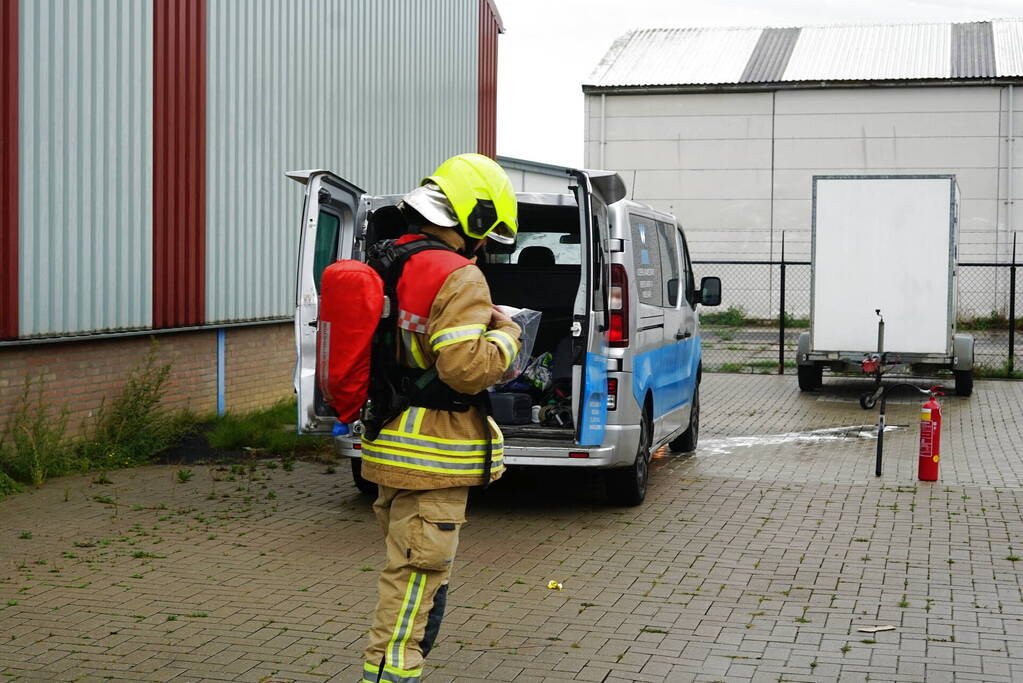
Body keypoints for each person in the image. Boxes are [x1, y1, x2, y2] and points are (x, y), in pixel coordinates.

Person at [360, 153, 521, 683]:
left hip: (389, 443)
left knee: (405, 572)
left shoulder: (389, 257)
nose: (484, 248)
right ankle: (389, 675)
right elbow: (465, 369)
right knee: (415, 581)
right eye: (487, 235)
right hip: (433, 455)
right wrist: (507, 335)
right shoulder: (460, 275)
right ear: (473, 221)